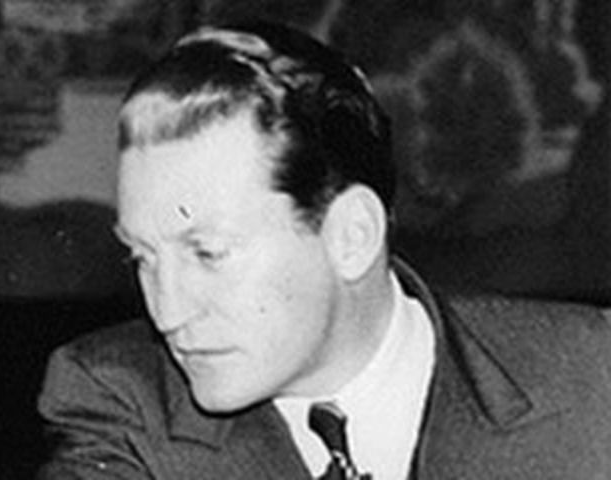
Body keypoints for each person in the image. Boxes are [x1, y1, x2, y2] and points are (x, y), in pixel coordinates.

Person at [36, 22, 611, 480]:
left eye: (208, 253)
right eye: (142, 257)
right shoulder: (120, 403)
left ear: (351, 236)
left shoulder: (592, 379)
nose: (167, 312)